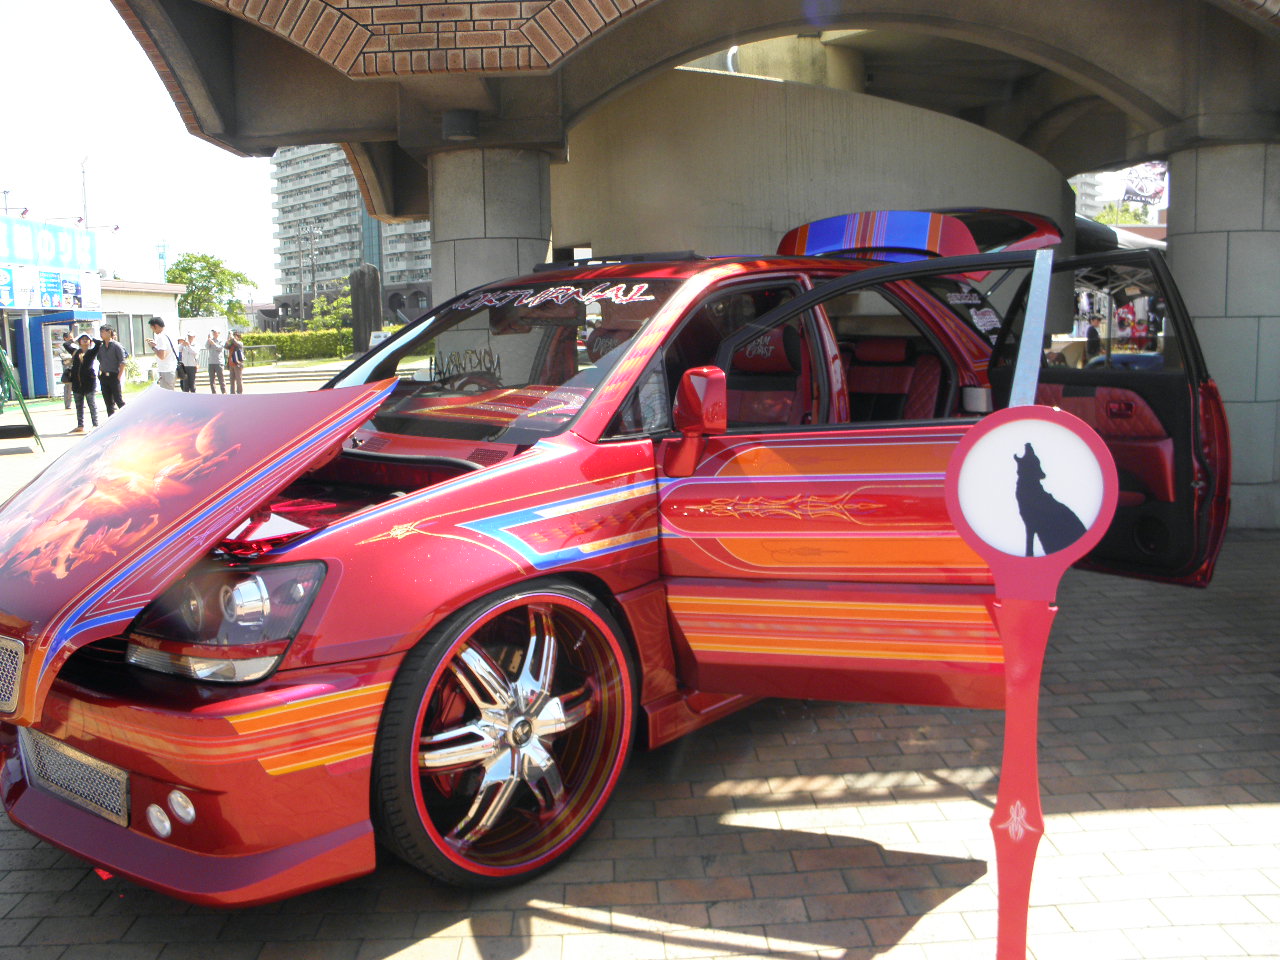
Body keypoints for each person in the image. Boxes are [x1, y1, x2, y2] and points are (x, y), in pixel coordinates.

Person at [68, 334, 100, 433]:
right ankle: (80, 425)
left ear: (90, 342)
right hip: (77, 382)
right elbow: (66, 345)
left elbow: (99, 344)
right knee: (79, 405)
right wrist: (72, 340)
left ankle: (95, 424)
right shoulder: (75, 352)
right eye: (83, 339)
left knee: (92, 404)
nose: (85, 340)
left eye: (87, 339)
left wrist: (92, 338)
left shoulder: (91, 352)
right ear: (79, 342)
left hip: (89, 382)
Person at [97, 325, 128, 415]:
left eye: (103, 332)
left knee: (119, 400)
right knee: (108, 403)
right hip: (103, 376)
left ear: (109, 332)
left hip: (114, 376)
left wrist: (118, 377)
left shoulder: (116, 345)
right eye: (100, 332)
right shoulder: (101, 347)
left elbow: (122, 362)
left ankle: (127, 417)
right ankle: (111, 420)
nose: (101, 334)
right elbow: (100, 360)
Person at [147, 318, 179, 390]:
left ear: (156, 326)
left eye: (152, 328)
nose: (153, 331)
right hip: (171, 368)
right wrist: (156, 345)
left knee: (167, 394)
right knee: (170, 392)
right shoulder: (169, 335)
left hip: (166, 370)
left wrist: (153, 347)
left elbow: (162, 356)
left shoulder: (161, 337)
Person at [205, 329, 226, 393]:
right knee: (212, 380)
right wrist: (208, 340)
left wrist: (213, 343)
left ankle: (224, 392)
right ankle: (214, 393)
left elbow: (219, 348)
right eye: (213, 332)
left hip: (219, 362)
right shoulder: (211, 340)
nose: (214, 333)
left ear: (218, 333)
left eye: (215, 332)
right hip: (211, 362)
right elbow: (206, 347)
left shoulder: (221, 340)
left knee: (221, 378)